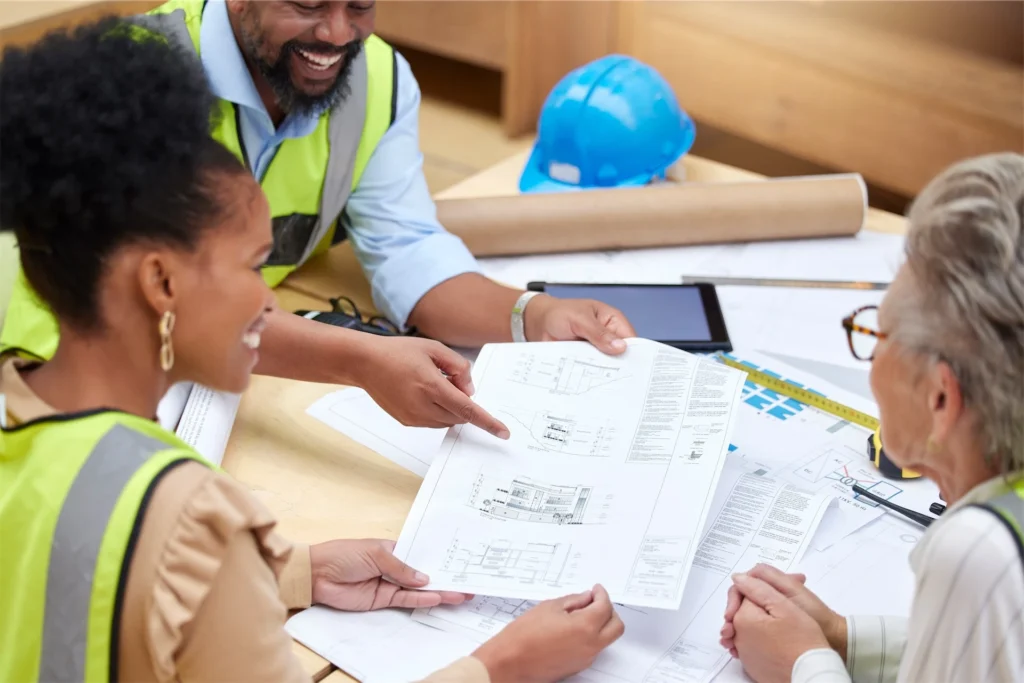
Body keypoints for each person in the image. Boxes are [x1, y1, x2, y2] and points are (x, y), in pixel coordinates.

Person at [0, 20, 624, 682]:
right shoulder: (196, 516)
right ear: (160, 283)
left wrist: (291, 570)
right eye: (251, 268)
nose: (270, 303)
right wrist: (502, 664)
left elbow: (83, 563)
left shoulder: (25, 414)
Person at [0, 0, 636, 438]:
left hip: (203, 367)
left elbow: (409, 249)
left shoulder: (381, 80)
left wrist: (531, 315)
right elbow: (173, 305)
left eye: (358, 6)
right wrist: (358, 359)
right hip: (43, 374)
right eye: (306, 5)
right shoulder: (131, 78)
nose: (336, 34)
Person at [719, 153, 1024, 683]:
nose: (871, 360)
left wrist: (802, 666)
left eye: (877, 337)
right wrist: (840, 636)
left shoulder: (978, 552)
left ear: (940, 399)